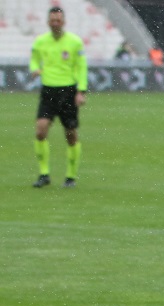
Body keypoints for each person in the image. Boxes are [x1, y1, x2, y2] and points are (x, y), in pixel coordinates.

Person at [29, 6, 87, 189]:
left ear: (64, 22)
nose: (55, 23)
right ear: (48, 22)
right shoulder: (40, 42)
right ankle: (44, 173)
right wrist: (34, 69)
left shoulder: (75, 42)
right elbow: (33, 59)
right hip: (48, 91)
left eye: (58, 20)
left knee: (70, 134)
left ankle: (71, 176)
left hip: (68, 91)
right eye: (53, 20)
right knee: (40, 131)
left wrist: (81, 91)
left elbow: (81, 67)